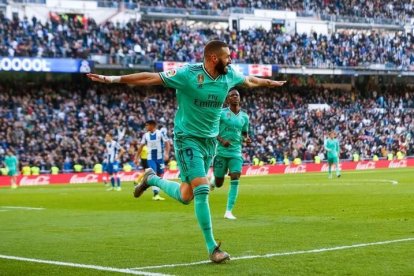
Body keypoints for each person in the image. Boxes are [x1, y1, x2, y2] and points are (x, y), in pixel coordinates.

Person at [87, 40, 286, 263]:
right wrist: (112, 79)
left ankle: (152, 179)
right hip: (186, 138)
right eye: (227, 56)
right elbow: (150, 78)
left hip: (209, 142)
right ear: (213, 58)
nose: (230, 60)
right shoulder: (188, 74)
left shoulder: (229, 75)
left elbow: (249, 80)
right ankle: (213, 249)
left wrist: (270, 83)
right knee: (202, 189)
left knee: (185, 195)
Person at [210, 89, 251, 220]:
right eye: (232, 95)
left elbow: (244, 133)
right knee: (219, 182)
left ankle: (228, 211)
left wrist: (246, 139)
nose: (235, 97)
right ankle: (213, 182)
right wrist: (222, 140)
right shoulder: (221, 114)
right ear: (228, 99)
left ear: (239, 98)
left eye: (237, 95)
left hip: (236, 152)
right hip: (221, 152)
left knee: (235, 176)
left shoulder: (245, 116)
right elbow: (212, 131)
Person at [135, 120, 170, 201]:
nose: (146, 127)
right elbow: (141, 147)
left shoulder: (160, 133)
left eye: (147, 125)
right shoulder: (145, 135)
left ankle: (155, 192)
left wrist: (167, 153)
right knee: (153, 174)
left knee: (160, 175)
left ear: (152, 125)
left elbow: (167, 143)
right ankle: (155, 193)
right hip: (151, 158)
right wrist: (136, 157)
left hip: (160, 158)